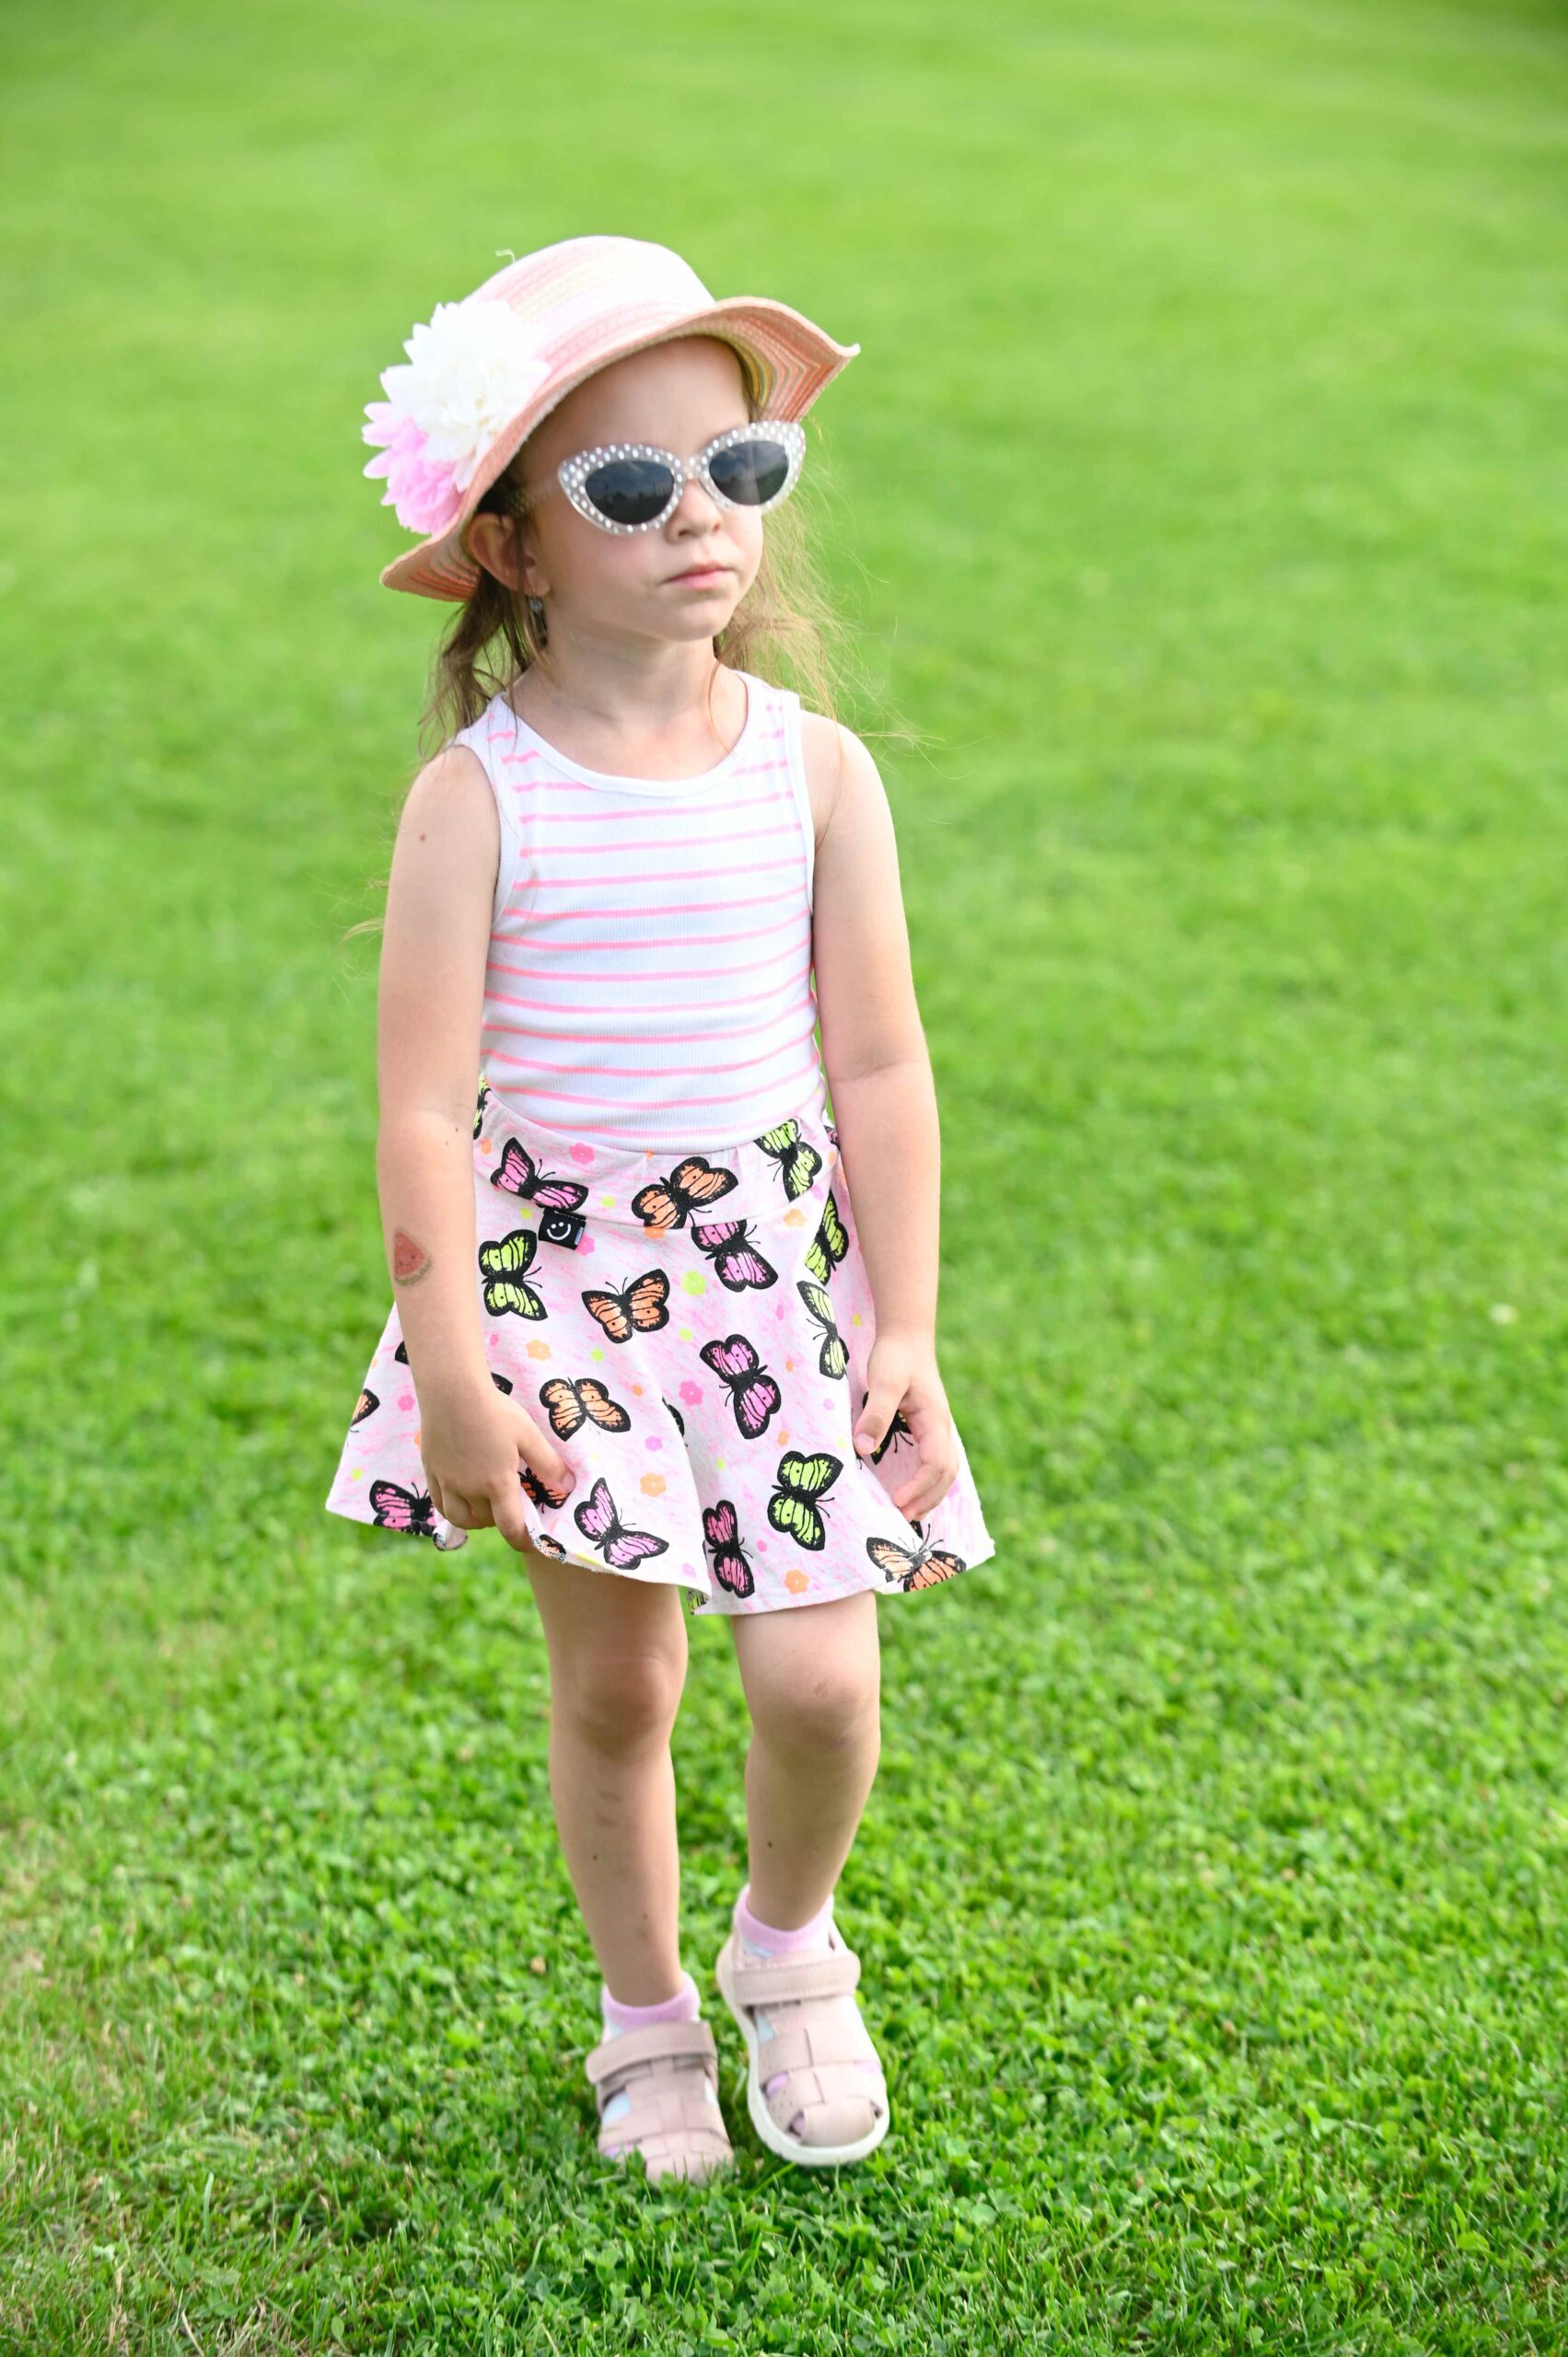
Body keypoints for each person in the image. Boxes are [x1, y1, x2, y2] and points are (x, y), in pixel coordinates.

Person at [324, 234, 996, 2183]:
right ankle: (645, 2021)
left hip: (777, 1282)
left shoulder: (815, 774)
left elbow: (882, 1068)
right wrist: (455, 1370)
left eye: (741, 467)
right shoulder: (480, 799)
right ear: (516, 545)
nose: (702, 515)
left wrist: (905, 1325)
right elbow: (422, 1111)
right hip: (563, 1290)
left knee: (823, 1677)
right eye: (631, 483)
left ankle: (789, 1948)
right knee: (622, 1678)